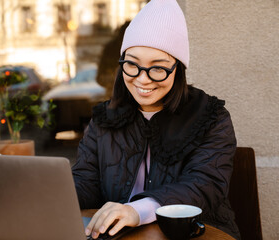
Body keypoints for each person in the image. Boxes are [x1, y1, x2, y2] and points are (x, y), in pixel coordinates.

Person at [72, 0, 240, 239]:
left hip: (195, 234)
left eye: (157, 68)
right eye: (132, 64)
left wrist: (137, 210)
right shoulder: (105, 118)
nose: (142, 79)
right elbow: (85, 182)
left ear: (178, 68)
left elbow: (205, 184)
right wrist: (47, 193)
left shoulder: (210, 116)